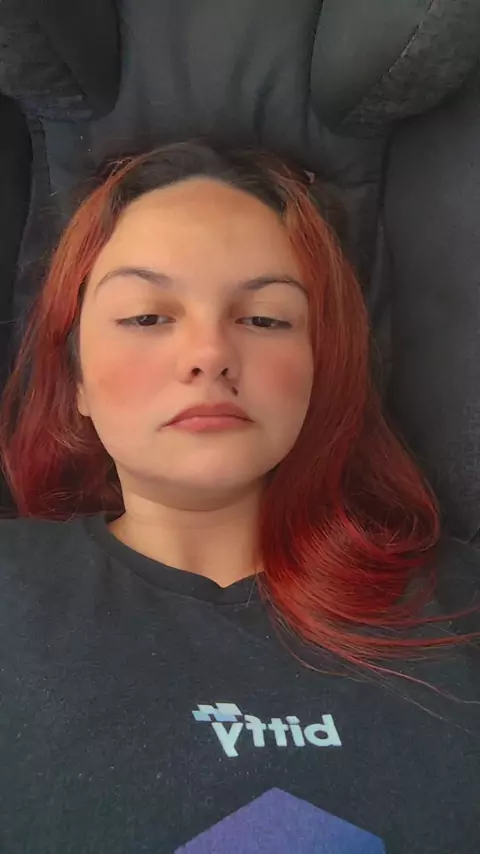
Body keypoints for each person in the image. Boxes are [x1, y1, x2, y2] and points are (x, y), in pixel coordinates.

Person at [0, 140, 478, 854]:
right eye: (147, 316)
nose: (210, 354)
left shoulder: (461, 604)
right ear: (75, 381)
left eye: (264, 318)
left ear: (321, 366)